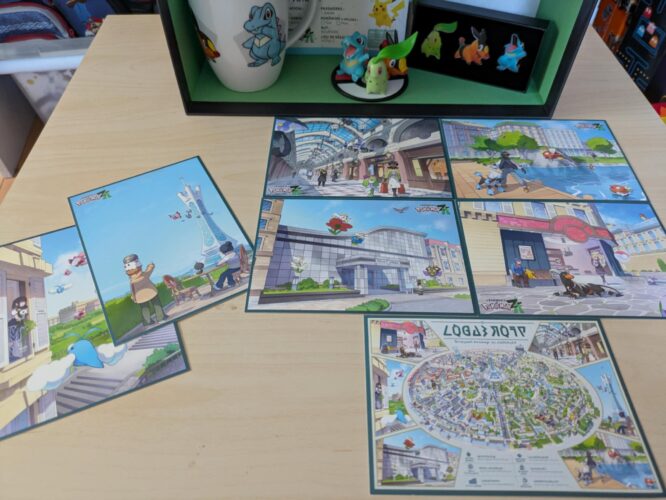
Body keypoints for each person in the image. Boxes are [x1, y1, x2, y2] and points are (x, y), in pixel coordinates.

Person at [123, 254, 167, 326]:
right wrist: (151, 265)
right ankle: (161, 318)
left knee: (144, 308)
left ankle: (147, 321)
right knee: (156, 304)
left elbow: (132, 289)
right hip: (151, 292)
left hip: (140, 297)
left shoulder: (132, 281)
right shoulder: (143, 275)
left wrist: (133, 297)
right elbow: (149, 270)